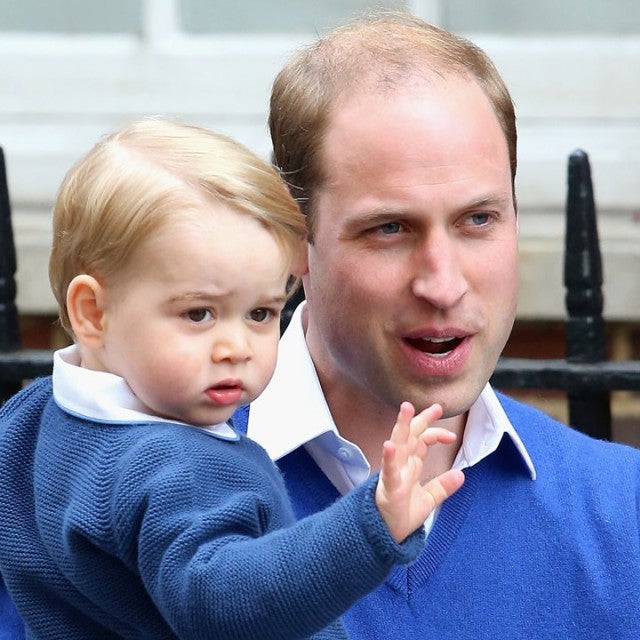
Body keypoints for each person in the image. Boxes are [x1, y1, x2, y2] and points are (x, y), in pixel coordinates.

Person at [233, 10, 640, 639]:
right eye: (390, 229)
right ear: (293, 239)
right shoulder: (133, 483)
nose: (443, 283)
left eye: (478, 220)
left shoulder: (621, 513)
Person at [0, 117, 465, 639]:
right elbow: (223, 607)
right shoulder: (182, 467)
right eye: (199, 314)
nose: (236, 349)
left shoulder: (30, 417)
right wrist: (370, 525)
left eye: (262, 314)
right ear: (92, 312)